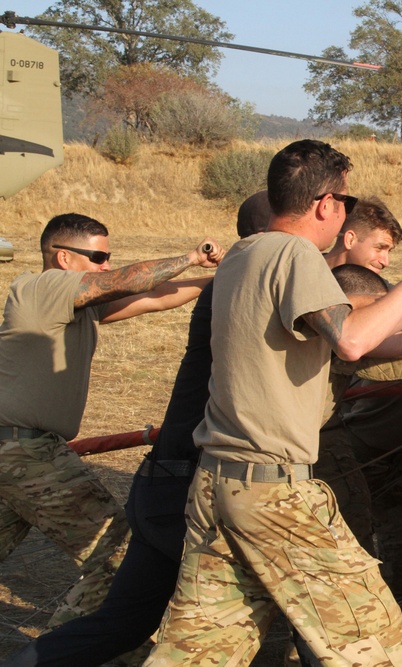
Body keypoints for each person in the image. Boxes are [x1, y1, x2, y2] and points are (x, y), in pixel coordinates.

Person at [143, 139, 402, 666]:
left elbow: (364, 335)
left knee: (197, 654)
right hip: (274, 491)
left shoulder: (244, 255)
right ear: (326, 204)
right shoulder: (295, 254)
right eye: (346, 201)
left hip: (220, 484)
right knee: (380, 646)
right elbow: (352, 341)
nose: (345, 211)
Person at [0, 197, 264, 667]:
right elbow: (127, 281)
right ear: (63, 257)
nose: (108, 266)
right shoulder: (40, 288)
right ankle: (61, 651)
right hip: (25, 452)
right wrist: (191, 256)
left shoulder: (74, 308)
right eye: (99, 258)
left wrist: (219, 278)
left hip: (18, 451)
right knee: (118, 551)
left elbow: (155, 296)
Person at [324, 196, 402, 273]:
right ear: (350, 240)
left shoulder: (377, 284)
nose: (386, 262)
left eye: (389, 251)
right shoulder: (313, 276)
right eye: (379, 248)